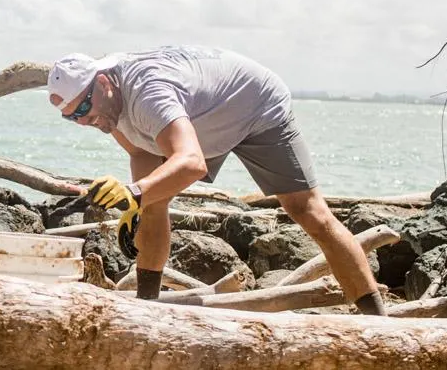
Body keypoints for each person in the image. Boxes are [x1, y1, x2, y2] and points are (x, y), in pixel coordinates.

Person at [47, 45, 386, 315]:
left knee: (308, 211)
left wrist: (135, 192)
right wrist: (137, 202)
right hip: (200, 118)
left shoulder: (149, 93)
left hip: (256, 107)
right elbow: (140, 154)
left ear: (103, 83)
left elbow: (192, 163)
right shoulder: (106, 107)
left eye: (84, 109)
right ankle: (146, 308)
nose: (83, 121)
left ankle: (378, 323)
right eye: (72, 117)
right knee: (153, 203)